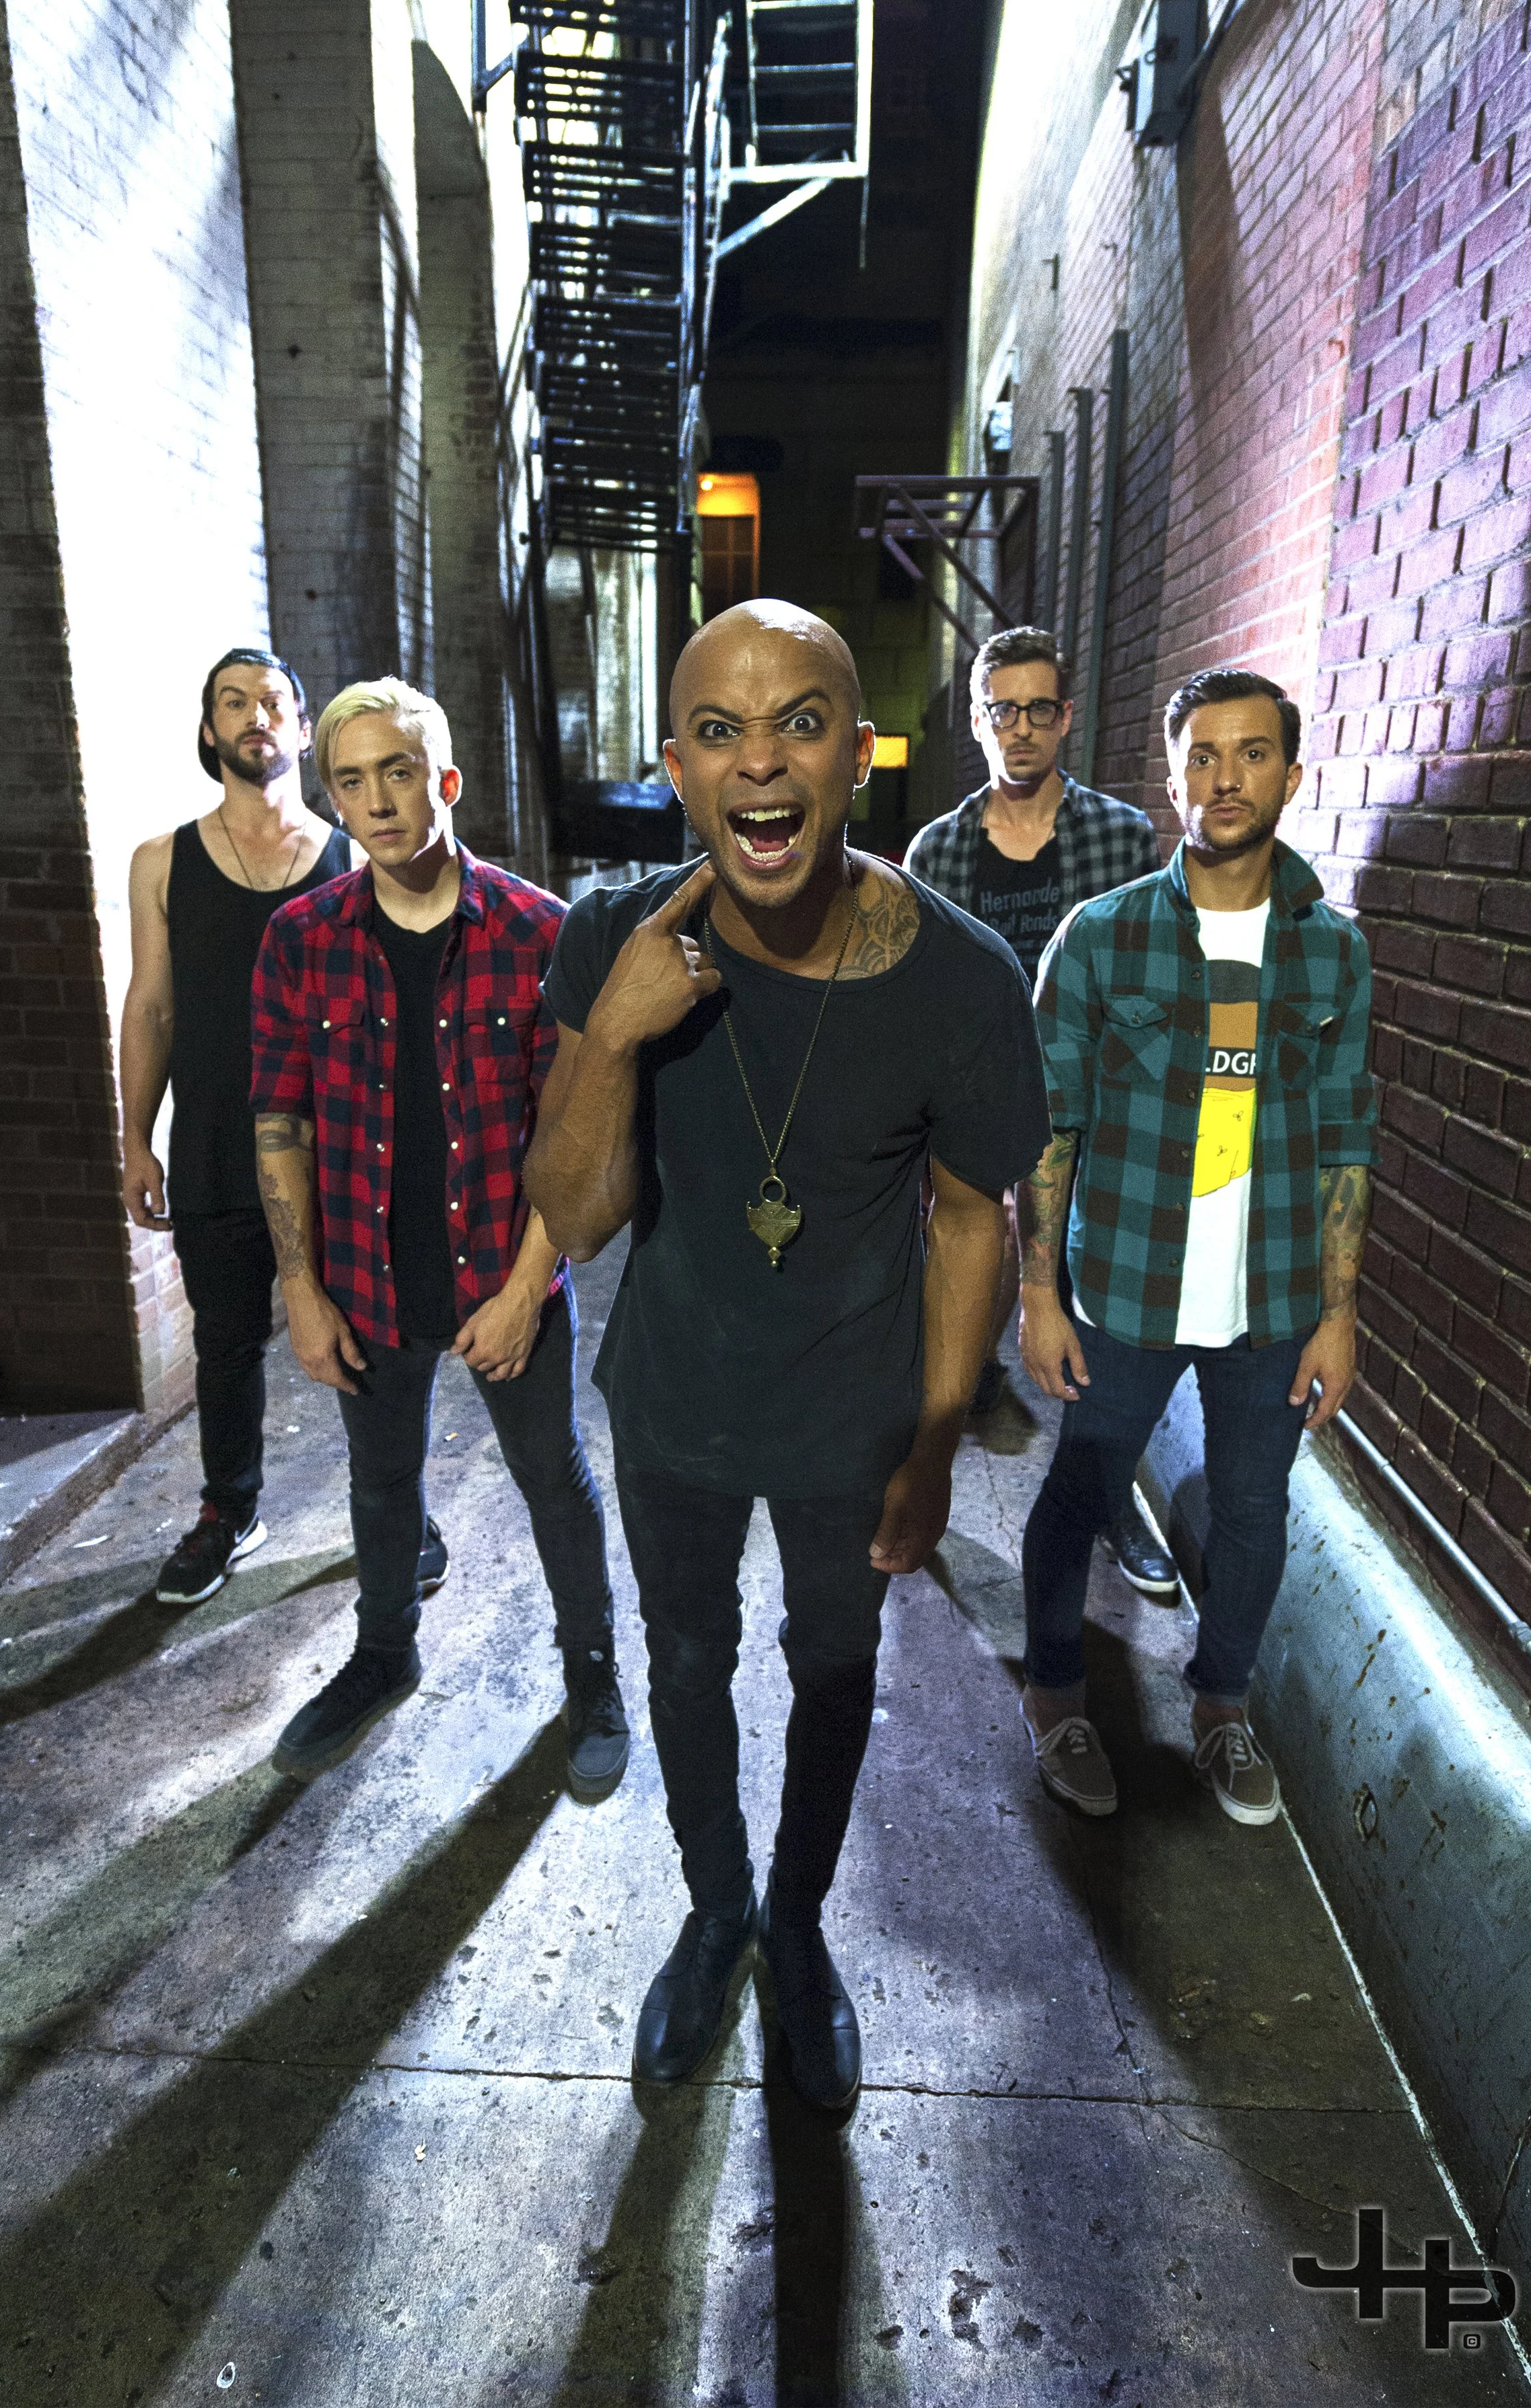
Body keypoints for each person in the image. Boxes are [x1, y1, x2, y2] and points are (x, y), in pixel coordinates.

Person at [525, 599, 1048, 2109]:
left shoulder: (958, 979)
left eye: (799, 723)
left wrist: (935, 1439)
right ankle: (715, 1915)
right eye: (719, 732)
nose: (759, 761)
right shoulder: (610, 941)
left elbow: (972, 1221)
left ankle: (800, 1926)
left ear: (858, 755)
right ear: (677, 768)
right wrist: (616, 1034)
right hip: (674, 1402)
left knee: (832, 1666)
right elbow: (574, 1216)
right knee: (685, 1662)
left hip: (852, 1422)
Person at [248, 678, 625, 1798]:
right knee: (381, 1480)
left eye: (398, 773)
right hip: (365, 1278)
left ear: (444, 782)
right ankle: (384, 1653)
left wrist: (526, 1289)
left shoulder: (539, 932)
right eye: (351, 781)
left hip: (505, 1273)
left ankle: (593, 1671)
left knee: (552, 1476)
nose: (376, 801)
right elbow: (279, 1120)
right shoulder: (300, 939)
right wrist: (301, 1286)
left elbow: (573, 1140)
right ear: (333, 797)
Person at [1017, 668, 1376, 1826]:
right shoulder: (1102, 938)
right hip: (1126, 1282)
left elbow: (1345, 1140)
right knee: (1079, 1492)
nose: (1225, 778)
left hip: (1272, 1298)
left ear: (1292, 774)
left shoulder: (1333, 953)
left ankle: (1222, 1709)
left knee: (1256, 1512)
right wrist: (1037, 1292)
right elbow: (1051, 1128)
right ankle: (1057, 1695)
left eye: (1251, 754)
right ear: (1171, 781)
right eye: (1202, 757)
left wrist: (1339, 1313)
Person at [119, 647, 429, 1604]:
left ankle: (399, 1509)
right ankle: (229, 1510)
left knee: (367, 1339)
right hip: (216, 1144)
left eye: (272, 702)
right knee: (225, 1344)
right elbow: (152, 1007)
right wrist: (134, 1138)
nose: (254, 715)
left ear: (301, 730)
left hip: (336, 1153)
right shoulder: (163, 861)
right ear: (209, 729)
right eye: (233, 702)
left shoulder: (351, 857)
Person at [904, 625, 1170, 1594]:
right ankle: (926, 1469)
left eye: (1038, 709)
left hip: (1090, 1099)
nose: (1020, 728)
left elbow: (1147, 980)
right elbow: (920, 991)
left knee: (1095, 1309)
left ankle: (1108, 1496)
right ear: (980, 724)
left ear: (1065, 719)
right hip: (974, 1093)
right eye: (1001, 710)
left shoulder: (1121, 838)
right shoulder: (938, 849)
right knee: (958, 1278)